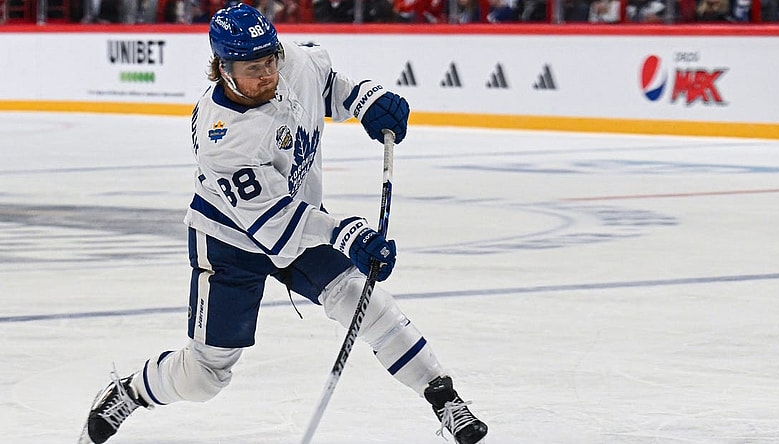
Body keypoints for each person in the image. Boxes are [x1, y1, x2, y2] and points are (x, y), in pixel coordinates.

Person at [77, 3, 488, 444]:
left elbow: (328, 84)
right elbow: (276, 223)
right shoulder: (223, 138)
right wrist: (347, 234)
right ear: (223, 68)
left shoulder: (289, 61)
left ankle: (444, 398)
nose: (268, 74)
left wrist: (366, 100)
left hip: (300, 219)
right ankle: (133, 392)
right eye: (254, 67)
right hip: (229, 240)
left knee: (360, 300)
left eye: (270, 59)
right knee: (205, 376)